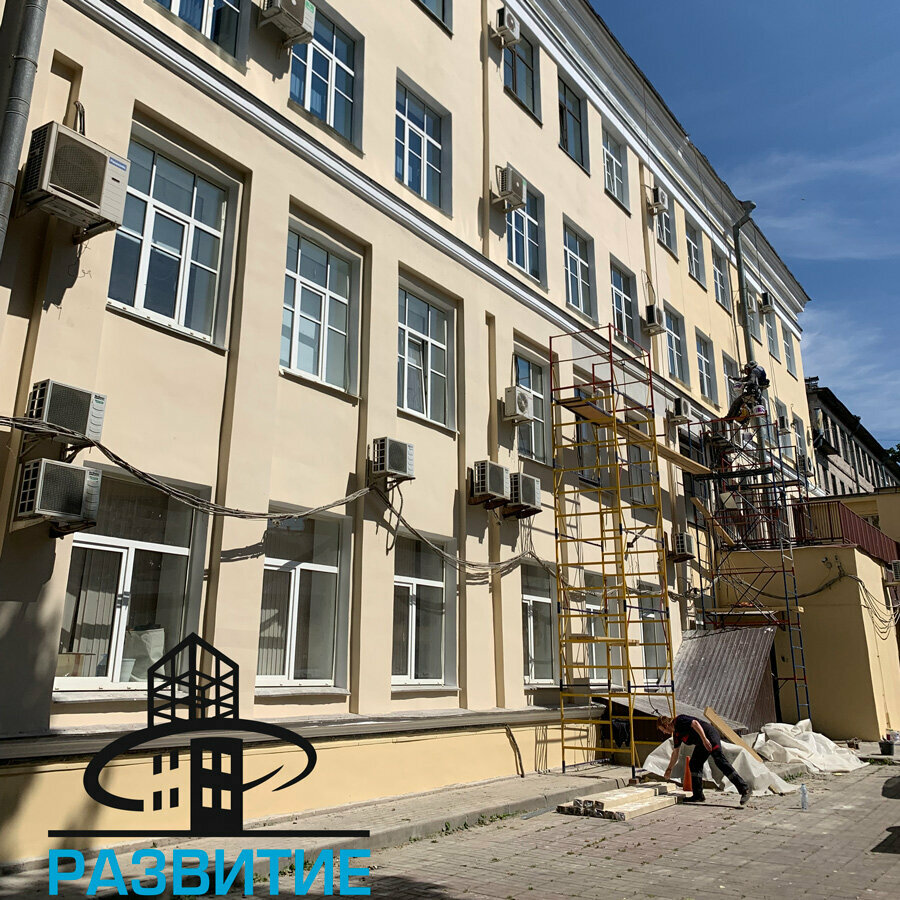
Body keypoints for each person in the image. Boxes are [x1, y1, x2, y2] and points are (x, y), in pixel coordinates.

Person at [657, 714, 751, 805]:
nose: (664, 733)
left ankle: (744, 789)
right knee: (694, 764)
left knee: (720, 761)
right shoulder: (677, 735)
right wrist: (669, 769)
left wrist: (705, 739)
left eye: (663, 730)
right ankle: (698, 795)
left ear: (666, 725)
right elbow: (675, 752)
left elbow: (695, 723)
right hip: (702, 743)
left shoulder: (679, 720)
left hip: (709, 736)